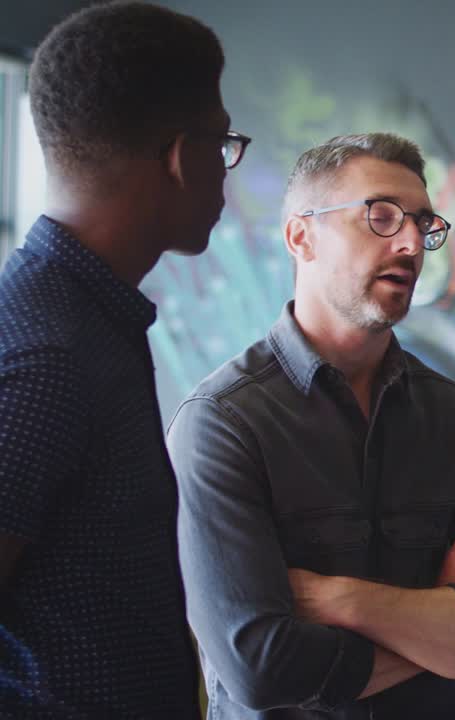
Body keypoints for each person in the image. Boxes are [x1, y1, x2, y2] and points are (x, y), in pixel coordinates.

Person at [168, 132, 455, 719]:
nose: (410, 243)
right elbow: (260, 670)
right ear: (301, 236)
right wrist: (439, 615)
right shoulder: (223, 423)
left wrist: (343, 601)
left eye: (422, 224)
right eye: (380, 216)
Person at [0, 3, 243, 716]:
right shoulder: (52, 351)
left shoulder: (82, 314)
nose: (226, 170)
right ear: (178, 156)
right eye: (223, 143)